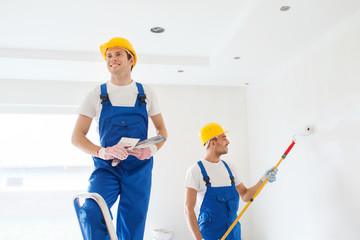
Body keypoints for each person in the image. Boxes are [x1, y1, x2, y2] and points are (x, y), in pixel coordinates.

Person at [71, 37, 167, 240]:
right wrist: (102, 151)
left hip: (139, 168)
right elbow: (77, 137)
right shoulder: (96, 94)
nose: (112, 59)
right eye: (108, 55)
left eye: (118, 54)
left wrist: (152, 150)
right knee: (90, 211)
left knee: (133, 224)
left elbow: (162, 133)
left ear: (131, 60)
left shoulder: (146, 93)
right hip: (107, 167)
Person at [184, 123, 277, 240]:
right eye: (224, 138)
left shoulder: (229, 168)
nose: (228, 142)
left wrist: (264, 180)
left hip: (234, 234)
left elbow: (245, 195)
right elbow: (188, 209)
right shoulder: (195, 170)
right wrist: (199, 239)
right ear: (212, 142)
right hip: (209, 236)